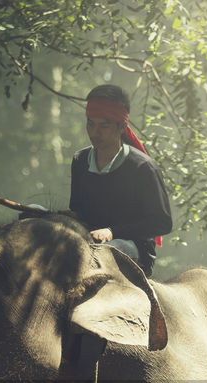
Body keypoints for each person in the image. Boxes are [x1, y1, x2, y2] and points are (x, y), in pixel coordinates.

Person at [69, 84, 172, 276]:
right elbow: (77, 211)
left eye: (104, 126)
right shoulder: (80, 160)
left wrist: (112, 232)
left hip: (132, 248)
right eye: (90, 124)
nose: (94, 132)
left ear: (122, 127)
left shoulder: (142, 167)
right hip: (89, 241)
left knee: (104, 252)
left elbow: (162, 222)